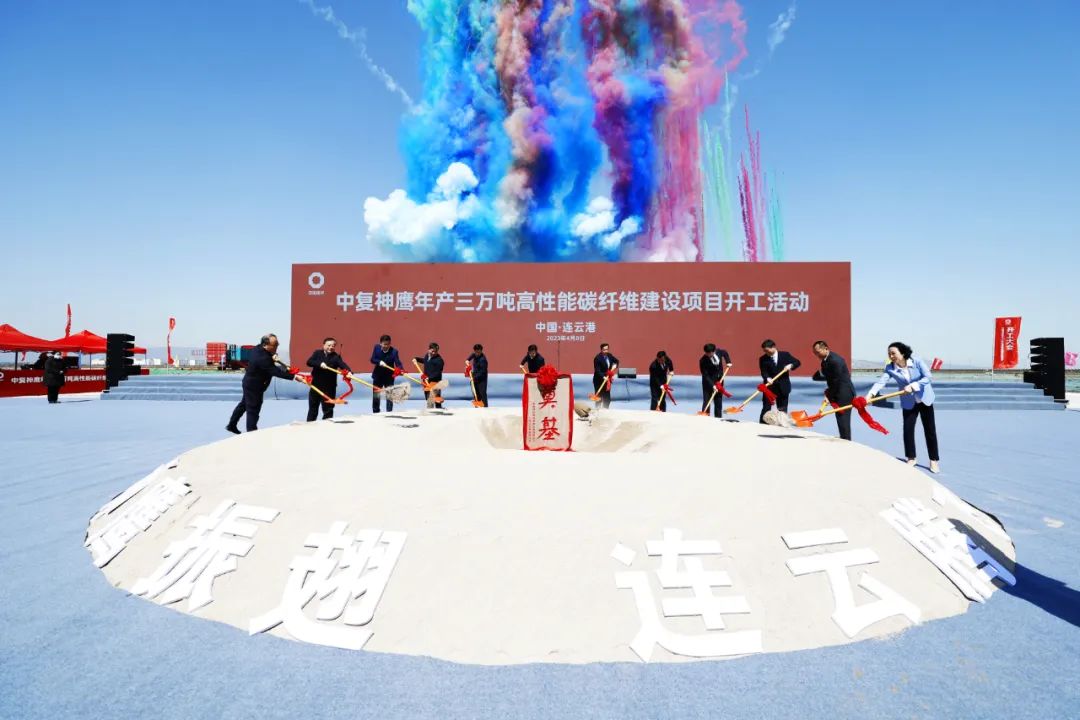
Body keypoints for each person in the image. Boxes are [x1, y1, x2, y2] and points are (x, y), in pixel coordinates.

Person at [868, 342, 940, 473]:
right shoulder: (890, 368)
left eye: (893, 353)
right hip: (908, 402)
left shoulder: (917, 362)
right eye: (889, 354)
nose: (891, 356)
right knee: (908, 429)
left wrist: (914, 385)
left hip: (924, 399)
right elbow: (881, 382)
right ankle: (911, 458)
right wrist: (870, 395)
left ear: (902, 353)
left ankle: (933, 460)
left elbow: (928, 377)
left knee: (930, 430)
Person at [226, 334, 300, 433]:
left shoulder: (258, 348)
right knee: (253, 408)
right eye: (275, 345)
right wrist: (294, 377)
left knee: (244, 404)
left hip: (250, 382)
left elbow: (270, 363)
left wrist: (272, 356)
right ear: (265, 345)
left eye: (277, 344)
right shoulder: (263, 358)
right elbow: (275, 371)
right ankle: (252, 432)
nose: (277, 346)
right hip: (254, 386)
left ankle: (231, 425)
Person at [811, 340, 856, 440]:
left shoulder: (836, 360)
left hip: (844, 393)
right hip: (837, 391)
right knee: (839, 417)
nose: (816, 355)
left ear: (826, 349)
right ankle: (844, 438)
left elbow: (836, 381)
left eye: (818, 352)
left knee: (843, 418)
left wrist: (829, 396)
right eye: (815, 353)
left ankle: (847, 441)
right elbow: (829, 377)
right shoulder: (825, 361)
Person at [305, 337, 351, 421]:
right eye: (329, 345)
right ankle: (309, 425)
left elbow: (343, 365)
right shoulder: (317, 353)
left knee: (328, 410)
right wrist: (319, 364)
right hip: (316, 385)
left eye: (333, 346)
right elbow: (309, 362)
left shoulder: (336, 357)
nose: (331, 347)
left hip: (329, 388)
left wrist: (349, 372)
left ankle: (327, 426)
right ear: (323, 345)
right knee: (313, 409)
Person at [758, 340, 801, 423]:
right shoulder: (763, 359)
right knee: (766, 407)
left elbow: (797, 362)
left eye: (767, 350)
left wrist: (791, 365)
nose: (766, 353)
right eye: (764, 351)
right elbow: (763, 372)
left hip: (783, 386)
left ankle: (782, 424)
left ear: (773, 347)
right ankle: (762, 424)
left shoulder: (785, 355)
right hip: (769, 387)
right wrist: (767, 378)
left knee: (782, 408)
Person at [370, 334, 403, 414]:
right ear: (380, 343)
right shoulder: (376, 348)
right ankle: (376, 411)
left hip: (389, 377)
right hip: (378, 376)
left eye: (388, 344)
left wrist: (400, 369)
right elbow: (372, 359)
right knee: (376, 395)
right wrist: (379, 362)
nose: (386, 346)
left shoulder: (394, 352)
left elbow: (398, 363)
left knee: (389, 395)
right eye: (384, 344)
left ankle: (389, 413)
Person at [699, 343, 732, 417]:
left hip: (719, 381)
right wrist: (712, 385)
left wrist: (728, 361)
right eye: (707, 353)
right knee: (707, 401)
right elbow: (705, 375)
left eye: (711, 353)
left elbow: (725, 353)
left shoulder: (719, 352)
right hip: (708, 383)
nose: (709, 355)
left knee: (718, 401)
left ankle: (718, 418)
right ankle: (705, 417)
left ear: (714, 351)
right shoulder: (702, 361)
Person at [414, 342, 445, 408]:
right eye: (432, 351)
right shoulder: (427, 356)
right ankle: (430, 410)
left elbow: (437, 373)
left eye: (436, 351)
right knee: (428, 398)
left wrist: (429, 377)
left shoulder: (439, 360)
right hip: (426, 381)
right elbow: (425, 361)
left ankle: (439, 410)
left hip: (435, 382)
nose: (434, 353)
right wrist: (416, 359)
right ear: (429, 350)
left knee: (436, 398)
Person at [592, 343, 619, 408]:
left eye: (607, 349)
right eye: (604, 350)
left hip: (607, 380)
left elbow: (617, 361)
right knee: (599, 398)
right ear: (601, 350)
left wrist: (615, 365)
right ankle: (597, 410)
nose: (606, 351)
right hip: (598, 380)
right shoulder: (597, 358)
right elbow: (597, 371)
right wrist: (603, 377)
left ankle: (605, 409)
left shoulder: (609, 355)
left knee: (607, 398)